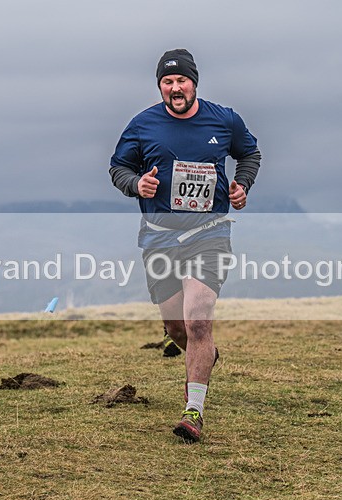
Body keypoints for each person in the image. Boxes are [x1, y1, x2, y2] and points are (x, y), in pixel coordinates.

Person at [110, 49, 261, 442]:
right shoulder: (142, 124)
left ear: (194, 82)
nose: (175, 88)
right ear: (160, 86)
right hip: (159, 236)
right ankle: (203, 354)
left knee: (198, 319)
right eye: (167, 82)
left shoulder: (224, 119)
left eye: (181, 81)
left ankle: (193, 411)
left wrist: (242, 184)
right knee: (177, 326)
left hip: (209, 232)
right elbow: (118, 167)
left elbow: (249, 154)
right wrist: (135, 184)